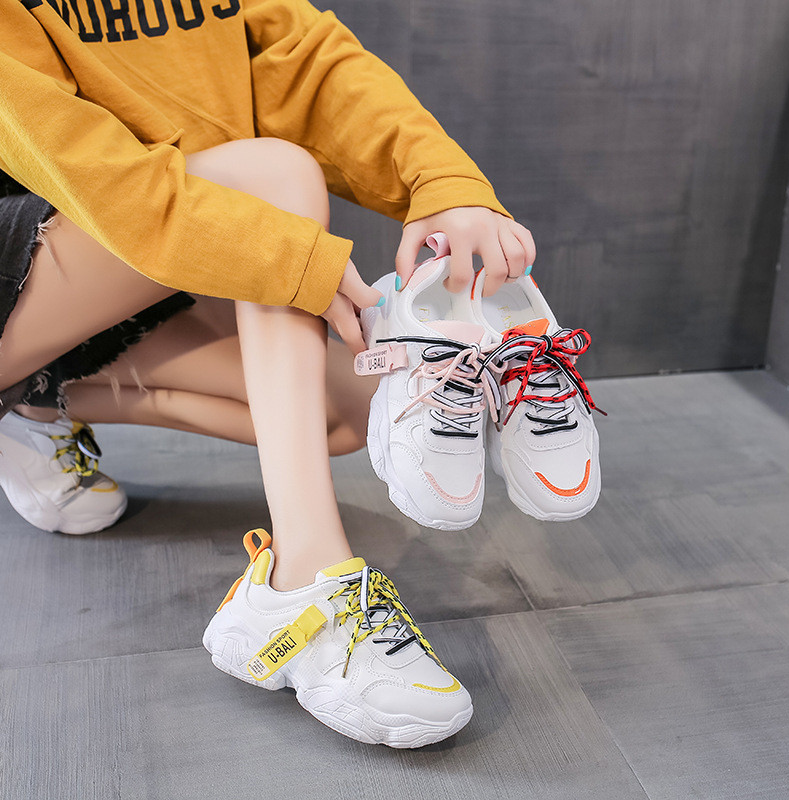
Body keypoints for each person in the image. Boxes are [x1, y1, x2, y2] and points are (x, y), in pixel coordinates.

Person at [0, 0, 535, 747]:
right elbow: (83, 162)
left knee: (351, 402)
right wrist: (290, 260)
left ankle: (33, 403)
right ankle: (303, 580)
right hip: (75, 217)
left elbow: (302, 59)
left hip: (98, 251)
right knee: (270, 175)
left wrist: (442, 181)